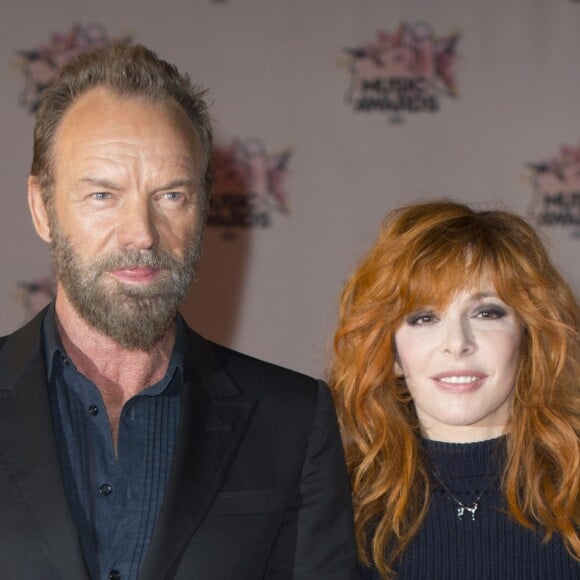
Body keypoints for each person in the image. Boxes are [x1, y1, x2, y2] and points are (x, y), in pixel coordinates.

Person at [0, 43, 358, 580]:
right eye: (102, 195)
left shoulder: (291, 421)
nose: (142, 233)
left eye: (171, 196)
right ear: (42, 209)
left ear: (204, 207)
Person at [329, 200, 580, 579]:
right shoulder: (338, 503)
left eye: (486, 313)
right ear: (391, 352)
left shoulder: (573, 493)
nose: (457, 343)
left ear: (528, 337)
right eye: (424, 317)